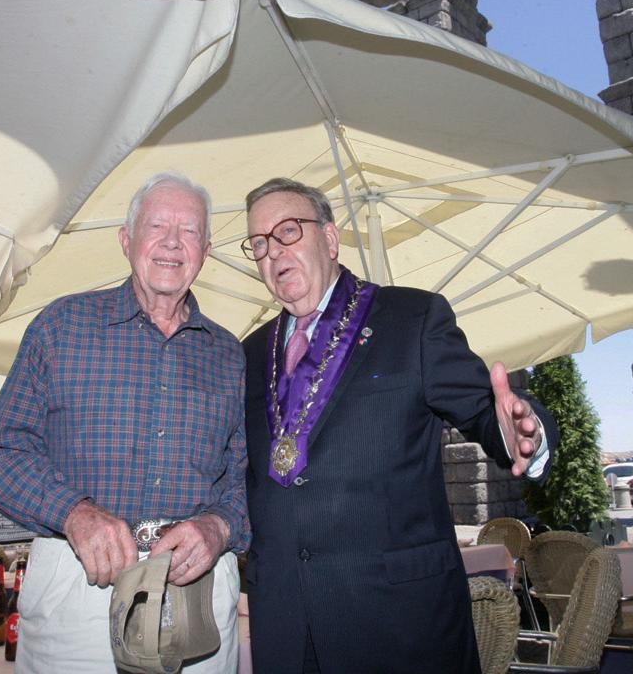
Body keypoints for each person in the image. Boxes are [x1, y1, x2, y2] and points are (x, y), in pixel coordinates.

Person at [239, 177, 558, 674]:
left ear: (329, 238)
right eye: (259, 243)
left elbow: (484, 411)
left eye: (287, 231)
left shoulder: (413, 318)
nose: (272, 251)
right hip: (285, 624)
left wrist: (525, 433)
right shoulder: (250, 352)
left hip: (397, 623)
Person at [0, 173, 249, 674]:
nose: (171, 242)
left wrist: (219, 525)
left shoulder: (230, 354)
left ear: (205, 250)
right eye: (157, 225)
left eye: (189, 231)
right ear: (127, 240)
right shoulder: (61, 326)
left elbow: (243, 478)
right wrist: (73, 512)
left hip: (199, 595)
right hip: (79, 591)